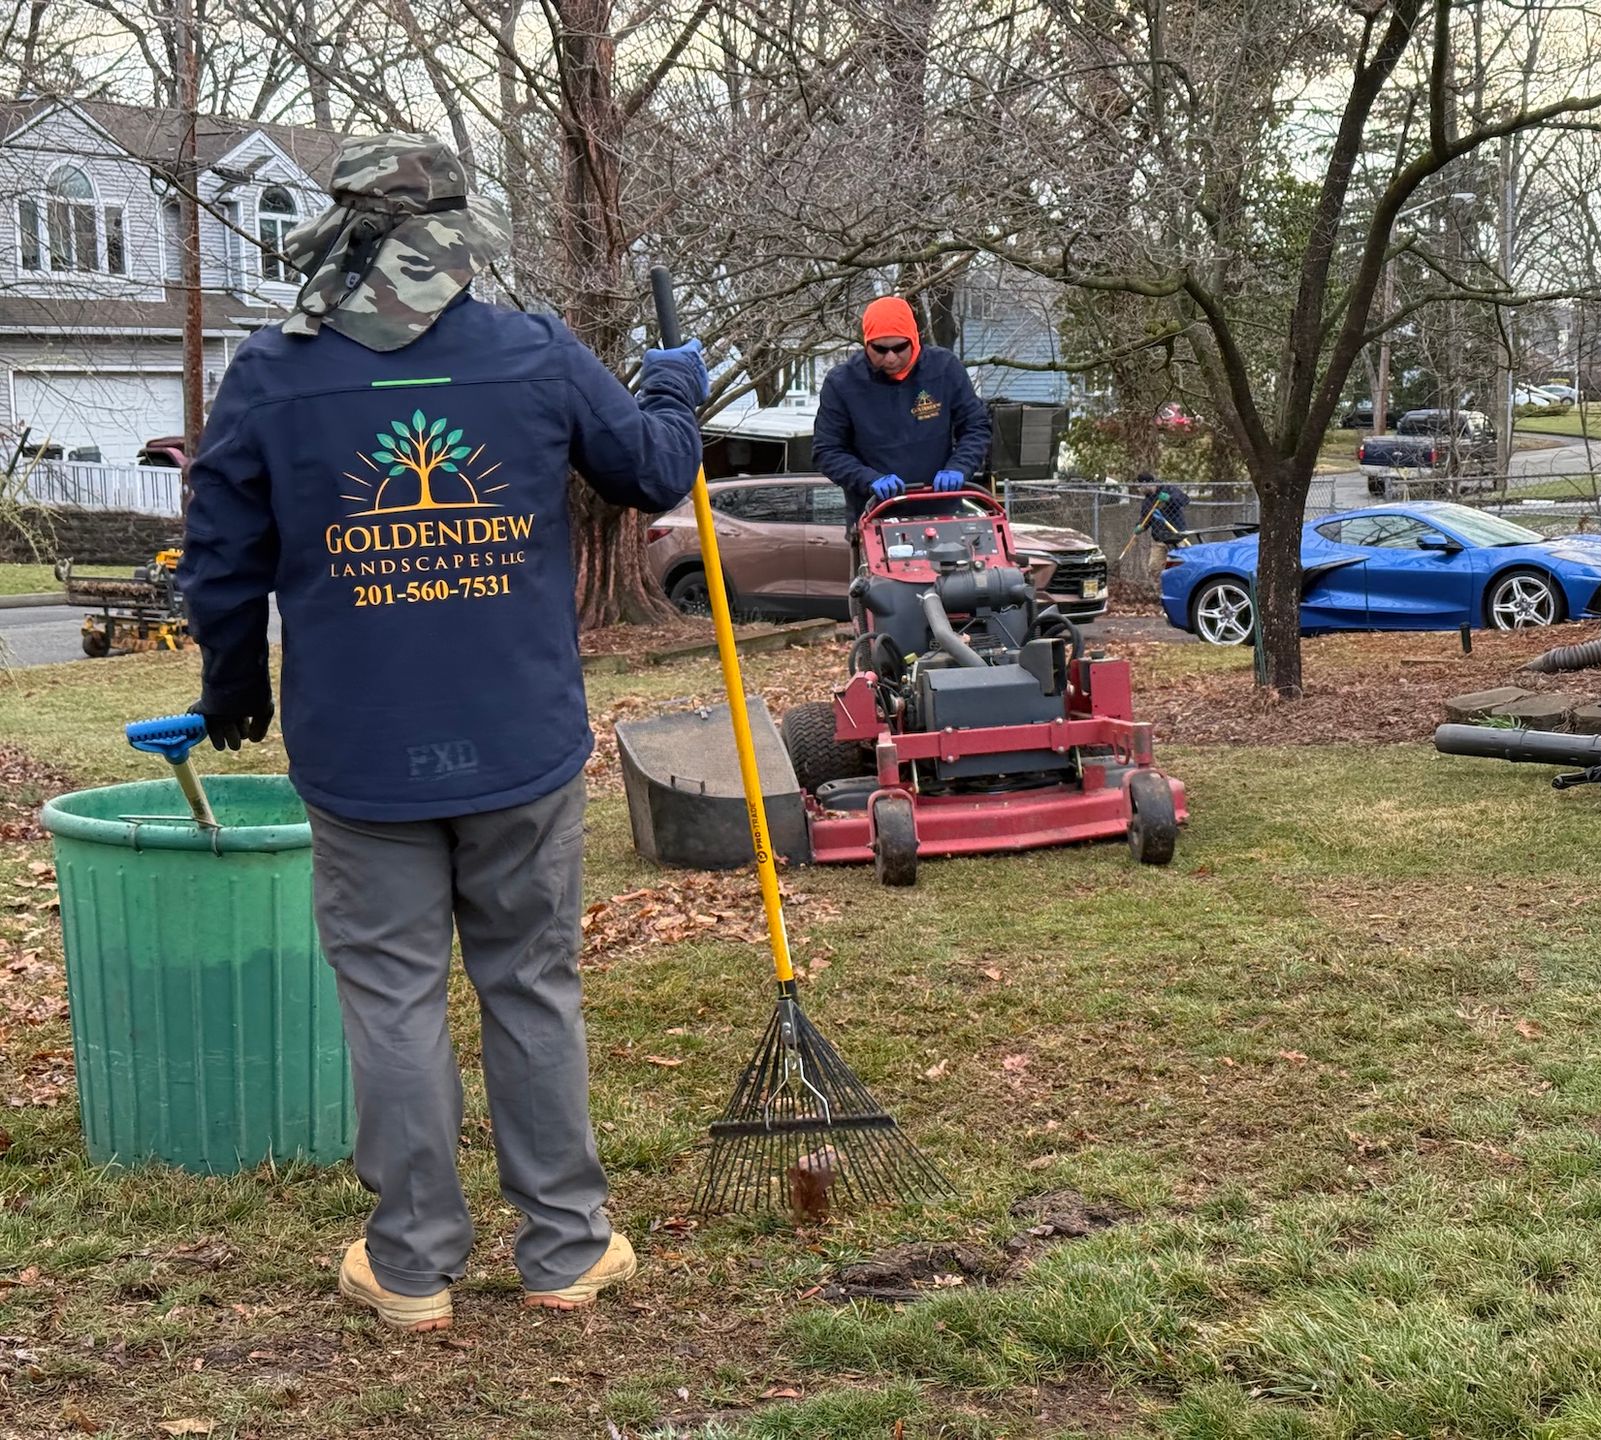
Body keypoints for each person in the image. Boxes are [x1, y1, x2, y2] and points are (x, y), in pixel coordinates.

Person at [175, 134, 707, 1333]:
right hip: (513, 735)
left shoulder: (274, 371)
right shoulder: (532, 354)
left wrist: (229, 683)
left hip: (361, 747)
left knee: (393, 997)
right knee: (530, 980)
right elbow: (654, 465)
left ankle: (412, 1264)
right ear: (459, 239)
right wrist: (675, 381)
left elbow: (218, 552)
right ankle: (566, 1247)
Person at [813, 295, 992, 527]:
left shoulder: (944, 369)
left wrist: (960, 467)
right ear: (866, 343)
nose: (890, 357)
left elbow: (976, 426)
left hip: (942, 513)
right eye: (880, 349)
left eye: (899, 348)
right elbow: (827, 451)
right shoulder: (842, 384)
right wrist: (868, 479)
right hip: (875, 517)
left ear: (914, 339)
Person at [1136, 473, 1190, 572]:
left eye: (1140, 487)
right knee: (1154, 569)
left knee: (1181, 567)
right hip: (1158, 539)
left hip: (1176, 536)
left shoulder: (1168, 489)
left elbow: (1185, 500)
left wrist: (1169, 499)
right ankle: (1158, 587)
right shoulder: (1147, 501)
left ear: (1146, 484)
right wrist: (1140, 526)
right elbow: (1145, 518)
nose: (1139, 489)